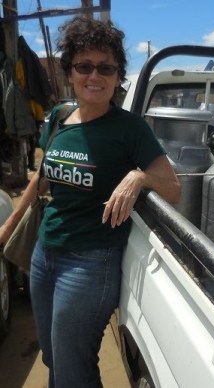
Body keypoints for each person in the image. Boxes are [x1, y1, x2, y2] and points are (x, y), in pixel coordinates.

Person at [0, 16, 181, 387]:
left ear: (117, 76)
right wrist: (7, 226)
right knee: (55, 358)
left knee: (72, 368)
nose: (94, 75)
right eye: (84, 66)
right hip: (44, 253)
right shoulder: (59, 118)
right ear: (70, 72)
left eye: (105, 68)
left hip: (89, 265)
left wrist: (140, 175)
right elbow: (41, 178)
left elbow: (174, 188)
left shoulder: (129, 128)